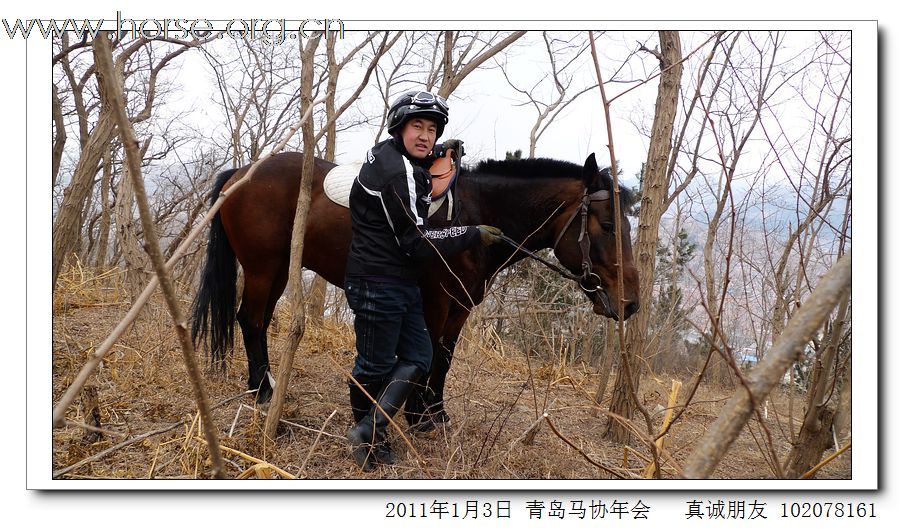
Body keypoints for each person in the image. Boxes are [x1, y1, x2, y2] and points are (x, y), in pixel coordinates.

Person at [344, 90, 504, 471]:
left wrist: (434, 158)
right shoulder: (397, 175)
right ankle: (366, 438)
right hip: (376, 281)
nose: (425, 136)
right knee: (373, 367)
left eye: (432, 129)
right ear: (399, 127)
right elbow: (416, 242)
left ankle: (370, 426)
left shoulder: (392, 153)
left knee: (419, 355)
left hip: (401, 283)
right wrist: (471, 233)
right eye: (417, 126)